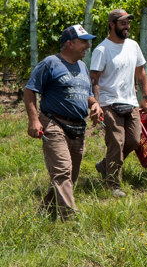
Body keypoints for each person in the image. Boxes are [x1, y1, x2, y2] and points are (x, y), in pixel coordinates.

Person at [23, 24, 103, 220]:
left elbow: (88, 95)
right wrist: (34, 120)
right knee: (62, 172)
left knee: (70, 176)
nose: (88, 46)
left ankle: (44, 214)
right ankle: (71, 220)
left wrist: (95, 105)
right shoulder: (50, 64)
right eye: (84, 42)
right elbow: (29, 90)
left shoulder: (82, 67)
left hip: (77, 127)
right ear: (69, 43)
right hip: (54, 123)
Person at [90, 9, 147, 197]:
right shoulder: (102, 50)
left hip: (130, 102)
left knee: (133, 140)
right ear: (112, 24)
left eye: (128, 22)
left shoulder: (133, 46)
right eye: (123, 22)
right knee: (116, 142)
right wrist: (96, 104)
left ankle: (105, 165)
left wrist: (146, 97)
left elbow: (140, 71)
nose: (127, 26)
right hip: (109, 103)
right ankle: (112, 184)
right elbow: (94, 79)